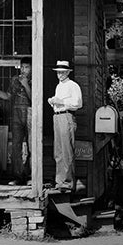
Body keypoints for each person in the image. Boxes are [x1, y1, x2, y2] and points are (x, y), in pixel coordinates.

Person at [47, 60, 82, 191]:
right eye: (58, 73)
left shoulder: (73, 85)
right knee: (59, 151)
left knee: (67, 151)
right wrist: (52, 102)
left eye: (62, 72)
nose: (60, 75)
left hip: (67, 116)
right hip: (57, 116)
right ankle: (60, 182)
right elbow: (58, 103)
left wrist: (61, 102)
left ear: (68, 72)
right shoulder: (59, 86)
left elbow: (78, 103)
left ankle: (68, 183)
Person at [8, 56, 32, 185]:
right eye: (22, 67)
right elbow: (9, 96)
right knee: (16, 145)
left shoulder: (34, 79)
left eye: (26, 67)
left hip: (29, 112)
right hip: (16, 113)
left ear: (31, 69)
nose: (23, 70)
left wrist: (26, 84)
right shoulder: (14, 80)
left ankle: (30, 176)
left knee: (30, 145)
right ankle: (18, 176)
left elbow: (34, 98)